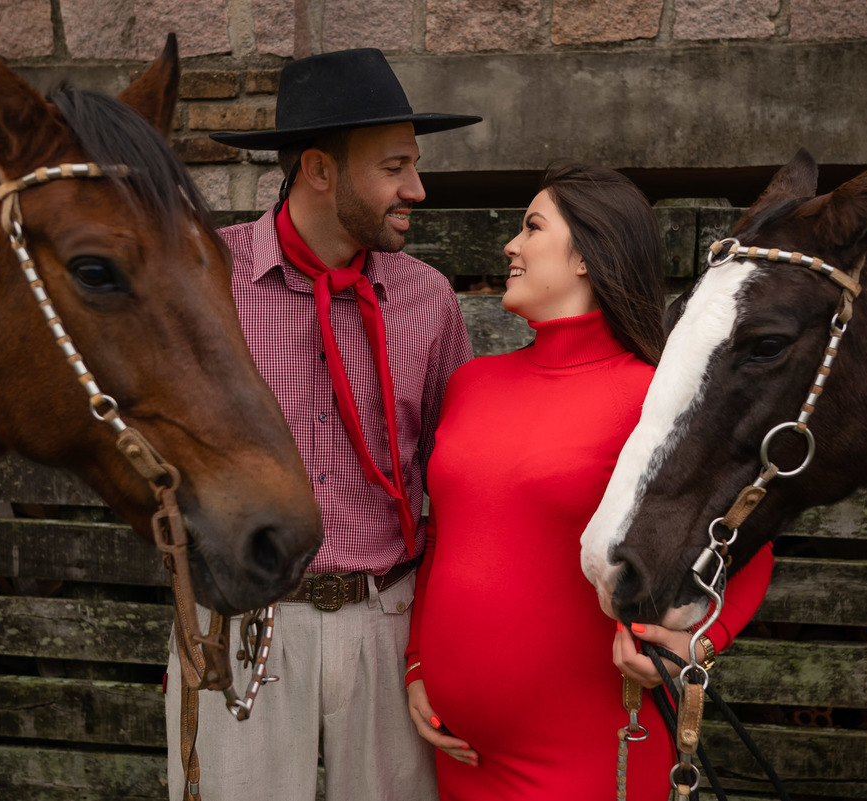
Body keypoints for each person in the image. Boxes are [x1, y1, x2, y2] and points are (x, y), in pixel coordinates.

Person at [163, 48, 480, 801]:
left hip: (390, 623)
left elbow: (458, 485)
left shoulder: (427, 300)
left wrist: (439, 643)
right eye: (395, 166)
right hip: (240, 622)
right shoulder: (208, 278)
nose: (417, 188)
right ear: (320, 170)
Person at [404, 163, 776, 800]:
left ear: (588, 255)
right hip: (458, 749)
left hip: (590, 746)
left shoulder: (652, 401)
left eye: (532, 227)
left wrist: (698, 646)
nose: (511, 246)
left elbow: (751, 550)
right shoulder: (471, 384)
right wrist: (416, 665)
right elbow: (442, 537)